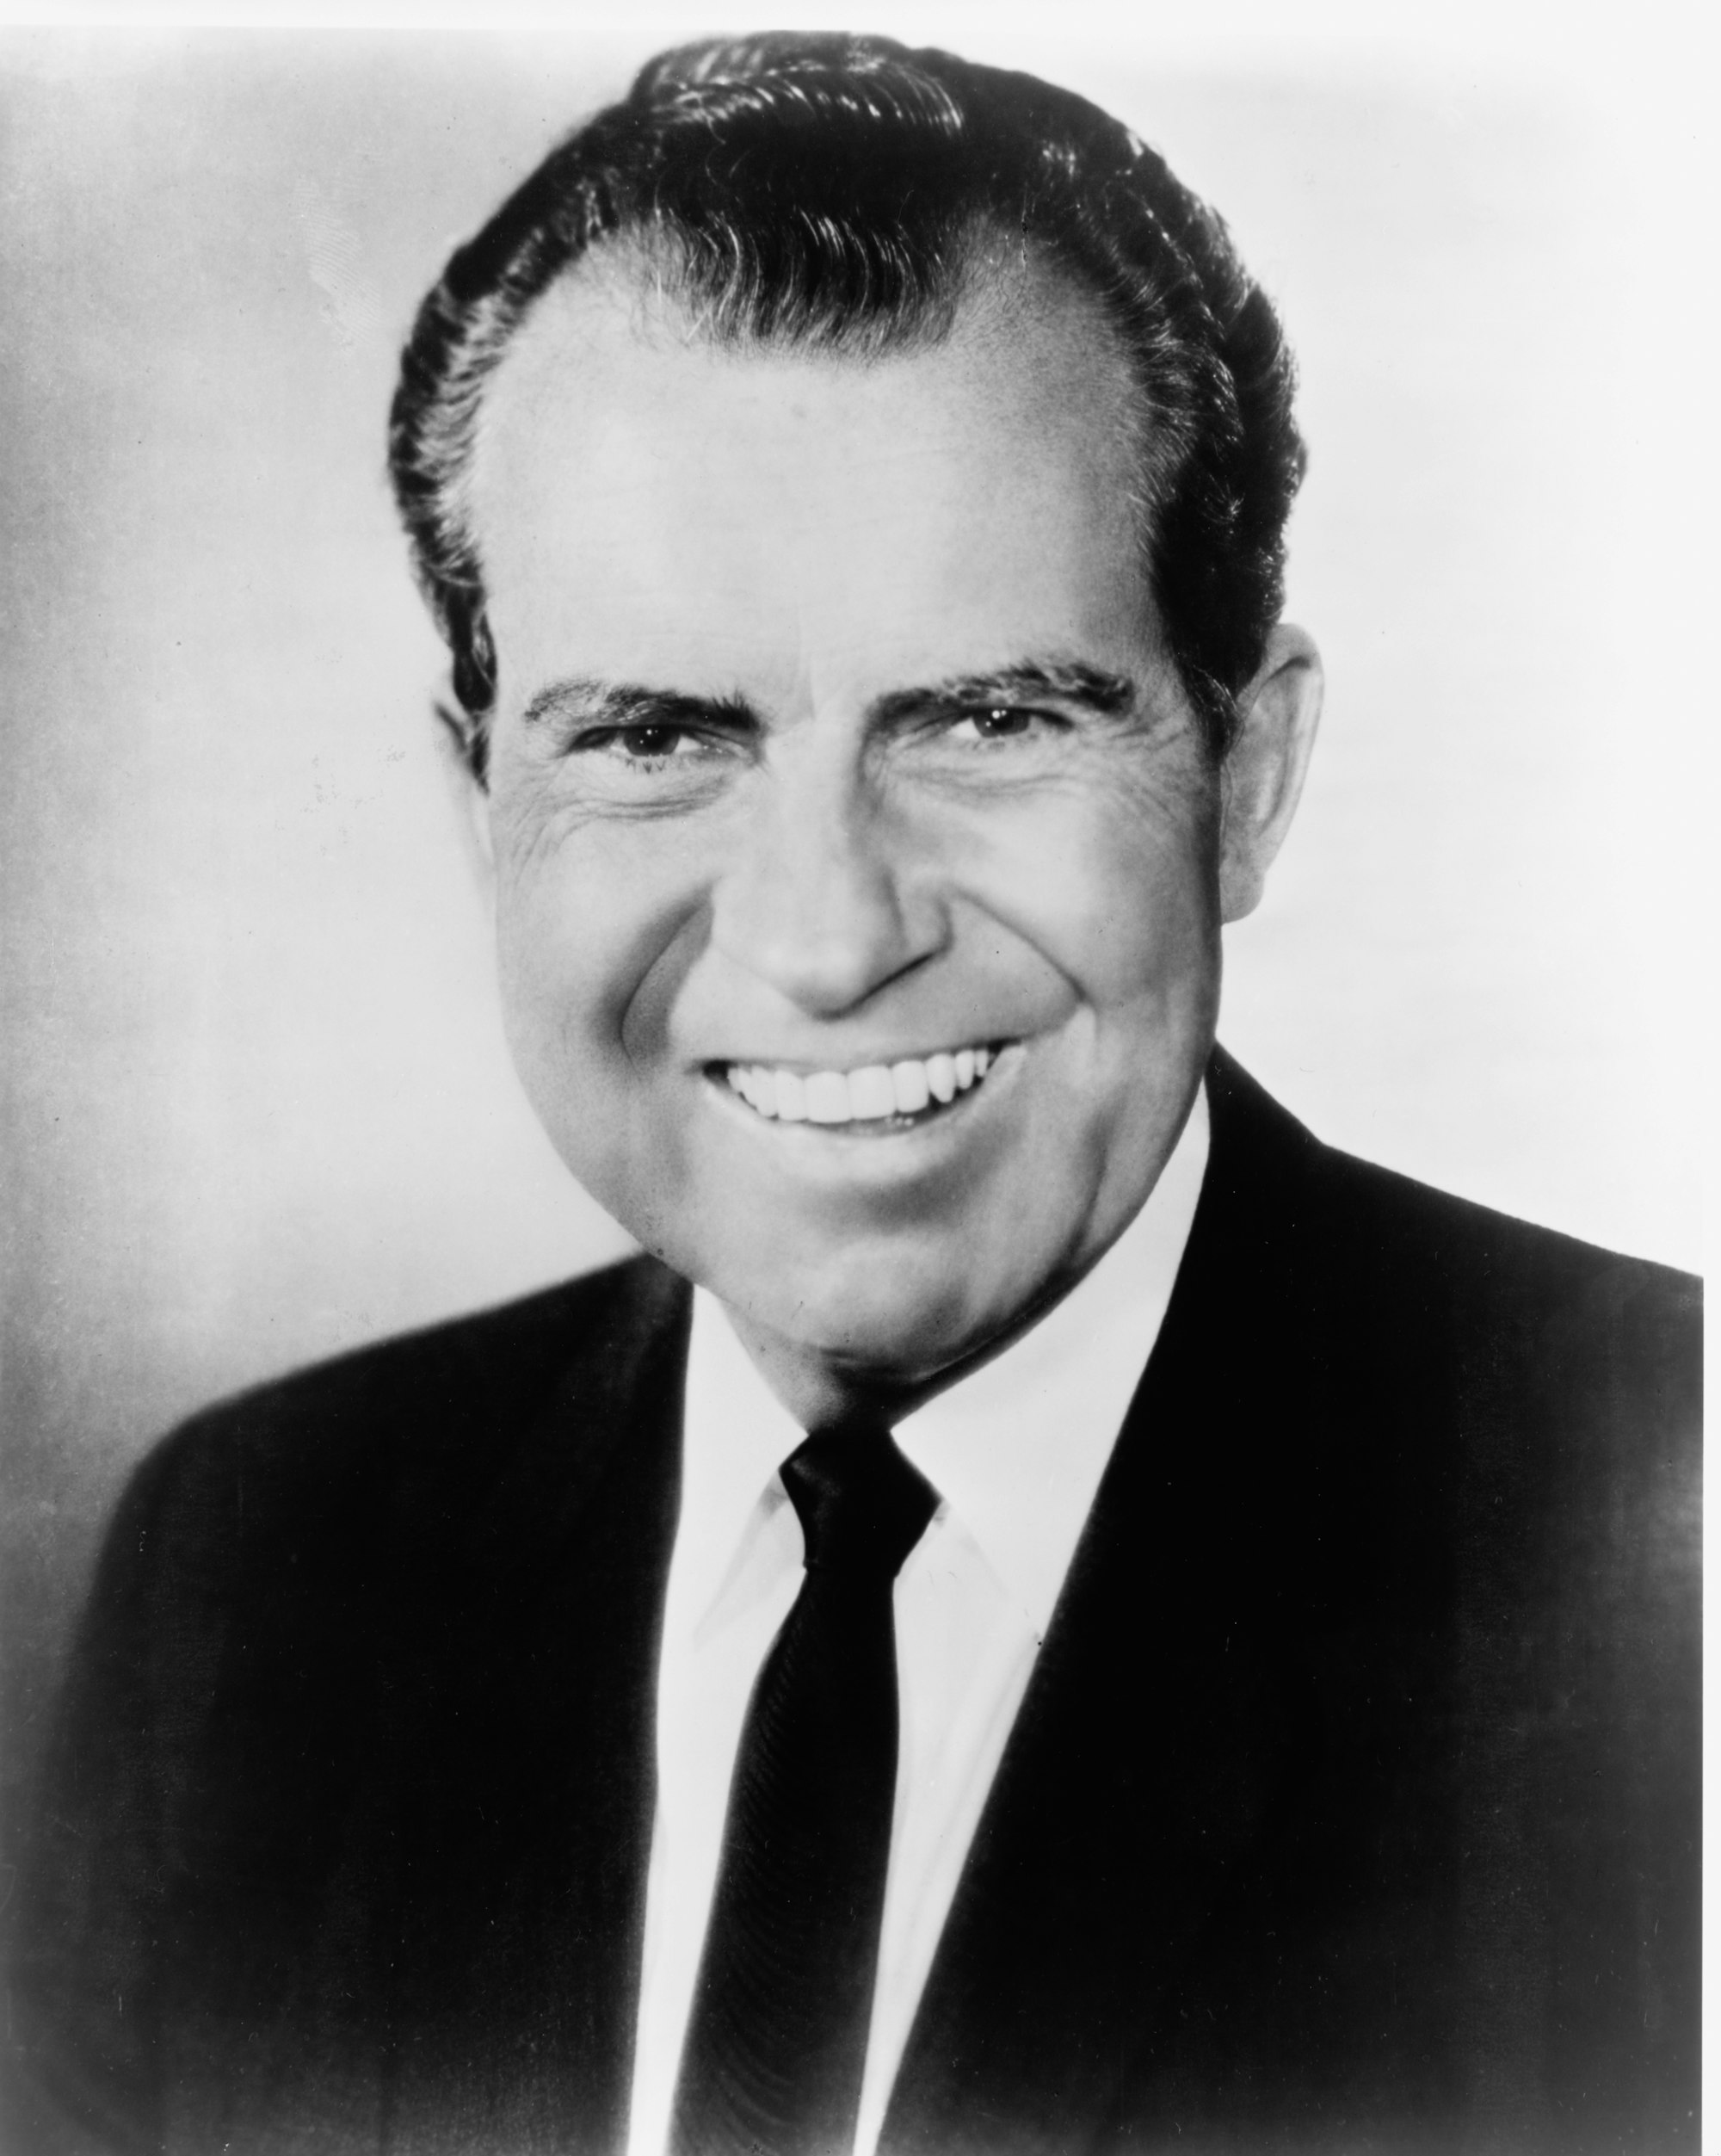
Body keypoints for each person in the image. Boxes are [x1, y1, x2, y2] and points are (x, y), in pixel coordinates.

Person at [12, 31, 1699, 2156]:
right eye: (652, 735)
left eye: (987, 714)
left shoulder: (1658, 1547)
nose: (824, 936)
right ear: (480, 803)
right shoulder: (249, 1586)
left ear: (1244, 780)